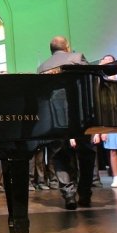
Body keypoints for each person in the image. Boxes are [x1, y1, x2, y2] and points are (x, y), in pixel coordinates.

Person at [37, 36, 96, 209]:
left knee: (60, 154)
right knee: (86, 152)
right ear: (67, 47)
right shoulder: (77, 58)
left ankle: (69, 195)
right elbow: (90, 82)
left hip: (55, 117)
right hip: (79, 114)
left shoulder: (42, 67)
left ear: (51, 49)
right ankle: (84, 193)